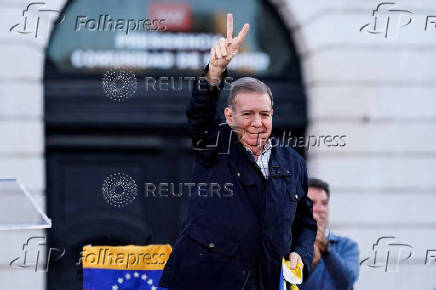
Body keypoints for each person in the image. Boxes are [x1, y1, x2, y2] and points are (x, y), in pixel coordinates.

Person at [158, 13, 317, 290]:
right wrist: (215, 71)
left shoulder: (293, 162)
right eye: (248, 114)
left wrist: (300, 255)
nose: (257, 123)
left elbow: (306, 223)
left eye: (264, 114)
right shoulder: (214, 144)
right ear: (229, 116)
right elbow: (199, 113)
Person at [300, 178, 359, 290]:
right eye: (312, 203)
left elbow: (347, 283)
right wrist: (309, 266)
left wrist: (327, 250)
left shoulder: (347, 245)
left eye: (324, 203)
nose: (320, 209)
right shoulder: (290, 246)